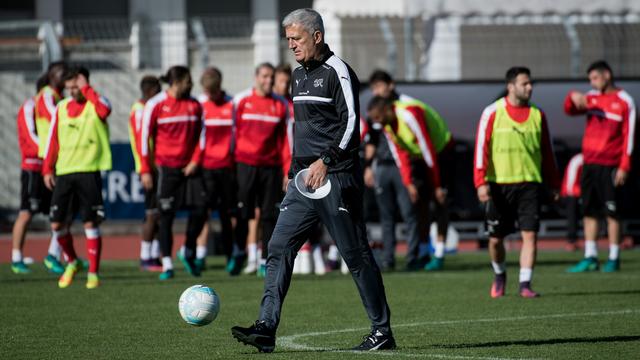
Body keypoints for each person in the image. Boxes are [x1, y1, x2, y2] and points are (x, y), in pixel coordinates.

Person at [231, 8, 395, 352]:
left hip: (336, 177)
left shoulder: (339, 72)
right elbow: (300, 130)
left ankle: (382, 332)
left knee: (355, 254)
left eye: (296, 38)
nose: (291, 45)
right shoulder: (297, 76)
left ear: (316, 36)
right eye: (288, 39)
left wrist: (326, 160)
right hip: (303, 182)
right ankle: (266, 327)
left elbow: (353, 125)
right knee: (277, 248)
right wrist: (293, 175)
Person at [474, 66, 560, 298]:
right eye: (524, 83)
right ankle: (500, 274)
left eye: (530, 83)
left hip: (529, 184)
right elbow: (481, 147)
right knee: (495, 240)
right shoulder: (492, 112)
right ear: (511, 86)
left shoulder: (538, 114)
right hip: (498, 185)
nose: (529, 87)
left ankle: (525, 284)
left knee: (530, 235)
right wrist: (480, 182)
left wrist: (554, 183)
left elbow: (547, 152)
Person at [368, 69, 453, 271]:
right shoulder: (387, 124)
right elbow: (402, 156)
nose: (378, 123)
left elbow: (428, 149)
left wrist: (437, 184)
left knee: (439, 201)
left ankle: (439, 254)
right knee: (419, 204)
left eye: (379, 118)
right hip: (420, 157)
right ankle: (423, 253)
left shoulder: (409, 113)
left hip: (440, 152)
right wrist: (408, 183)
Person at [43, 66, 112, 289]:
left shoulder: (97, 102)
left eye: (76, 86)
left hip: (89, 170)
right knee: (56, 224)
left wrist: (87, 89)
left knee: (90, 222)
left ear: (85, 84)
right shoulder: (61, 108)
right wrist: (47, 169)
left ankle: (93, 273)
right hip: (64, 172)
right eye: (69, 88)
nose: (73, 91)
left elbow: (104, 111)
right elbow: (52, 140)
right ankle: (73, 261)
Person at [564, 61, 636, 273]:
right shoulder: (591, 97)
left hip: (611, 165)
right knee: (589, 211)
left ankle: (614, 257)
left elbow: (629, 136)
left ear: (607, 75)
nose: (592, 83)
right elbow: (569, 110)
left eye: (595, 78)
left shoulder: (625, 101)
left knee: (612, 212)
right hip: (590, 164)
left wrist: (624, 165)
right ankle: (591, 256)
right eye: (590, 80)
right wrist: (572, 97)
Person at [140, 65, 208, 280]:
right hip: (166, 169)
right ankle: (167, 263)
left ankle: (188, 250)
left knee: (201, 209)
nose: (192, 84)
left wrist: (195, 160)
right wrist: (145, 170)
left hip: (190, 169)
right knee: (165, 216)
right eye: (189, 80)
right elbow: (144, 140)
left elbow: (202, 136)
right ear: (177, 82)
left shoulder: (195, 104)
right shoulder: (155, 105)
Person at [228, 62, 289, 277]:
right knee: (243, 214)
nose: (268, 81)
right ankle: (239, 253)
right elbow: (231, 134)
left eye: (271, 77)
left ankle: (265, 260)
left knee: (269, 216)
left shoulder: (281, 104)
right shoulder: (241, 101)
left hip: (271, 168)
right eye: (264, 76)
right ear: (256, 77)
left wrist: (286, 170)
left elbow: (284, 141)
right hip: (245, 165)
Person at [196, 66, 236, 271]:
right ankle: (200, 254)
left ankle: (231, 253)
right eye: (206, 91)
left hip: (227, 167)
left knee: (227, 214)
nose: (209, 95)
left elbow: (236, 134)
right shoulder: (200, 104)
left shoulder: (232, 103)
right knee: (204, 212)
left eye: (212, 91)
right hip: (205, 168)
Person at [11, 74, 50, 274]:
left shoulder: (52, 108)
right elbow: (30, 136)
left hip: (49, 167)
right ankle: (16, 257)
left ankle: (58, 256)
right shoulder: (29, 107)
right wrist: (49, 151)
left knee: (58, 214)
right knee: (26, 213)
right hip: (33, 167)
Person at [34, 61, 68, 274]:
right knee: (60, 210)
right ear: (52, 75)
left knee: (66, 210)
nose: (65, 78)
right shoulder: (47, 95)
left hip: (60, 158)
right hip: (53, 159)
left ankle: (62, 253)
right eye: (62, 74)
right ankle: (52, 254)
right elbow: (57, 116)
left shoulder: (57, 96)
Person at [129, 75, 163, 271]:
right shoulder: (141, 111)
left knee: (159, 213)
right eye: (158, 90)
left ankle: (153, 255)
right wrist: (145, 170)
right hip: (149, 168)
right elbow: (142, 142)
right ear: (150, 91)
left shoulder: (146, 109)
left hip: (154, 166)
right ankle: (145, 257)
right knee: (152, 213)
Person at [560, 153, 583, 251]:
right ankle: (571, 241)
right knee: (572, 213)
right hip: (570, 193)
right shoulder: (578, 160)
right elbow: (570, 184)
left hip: (581, 192)